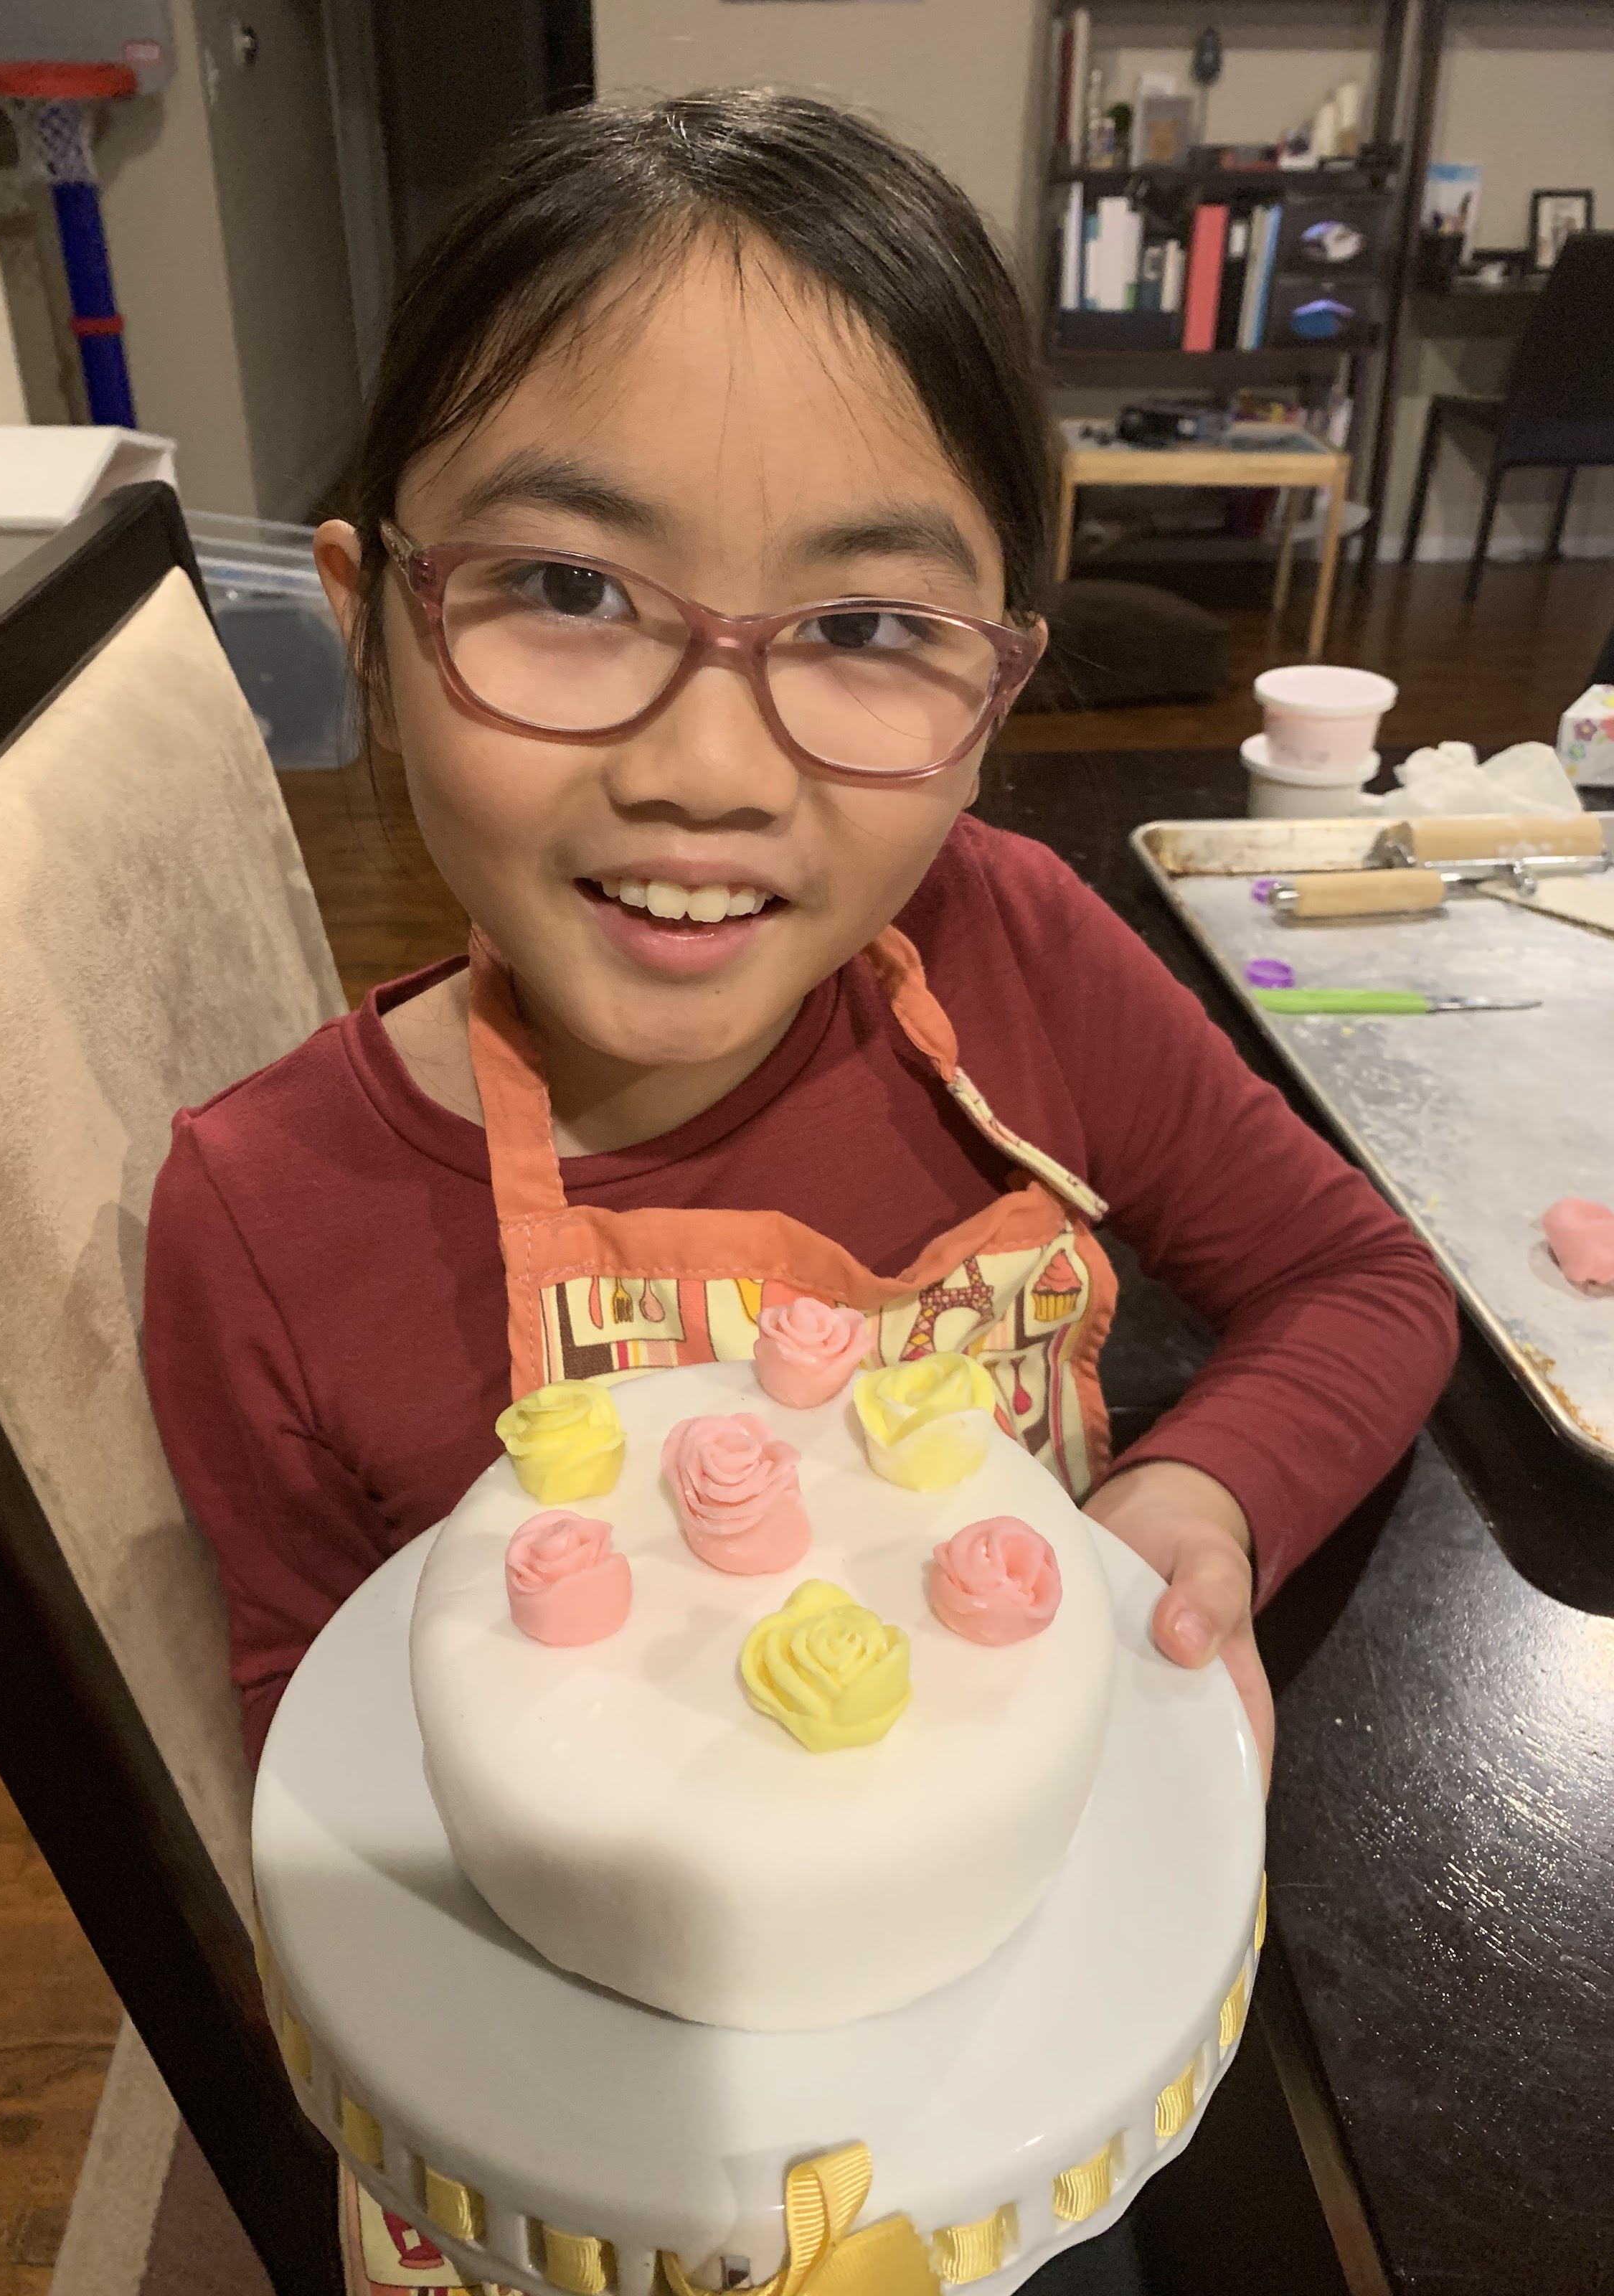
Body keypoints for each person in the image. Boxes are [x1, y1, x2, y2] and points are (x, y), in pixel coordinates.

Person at [146, 88, 1456, 1788]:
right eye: (568, 588)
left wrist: (1194, 1495)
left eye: (863, 624)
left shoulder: (1017, 954)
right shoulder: (261, 1225)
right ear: (368, 629)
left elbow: (1361, 1281)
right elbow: (309, 1728)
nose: (708, 771)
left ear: (995, 694)